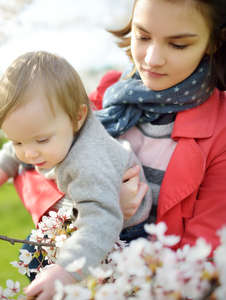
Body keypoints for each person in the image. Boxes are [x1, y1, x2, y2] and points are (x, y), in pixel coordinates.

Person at [24, 0, 226, 299]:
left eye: (178, 45)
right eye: (142, 36)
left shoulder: (220, 130)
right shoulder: (106, 94)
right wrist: (99, 203)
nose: (152, 59)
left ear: (213, 43)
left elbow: (204, 247)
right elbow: (33, 165)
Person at [0, 51, 152, 288]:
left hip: (124, 231)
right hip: (88, 213)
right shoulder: (52, 134)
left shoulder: (89, 159)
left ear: (77, 117)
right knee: (33, 256)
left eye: (41, 141)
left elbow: (101, 222)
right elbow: (10, 151)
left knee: (58, 270)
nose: (29, 153)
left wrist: (66, 270)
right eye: (19, 141)